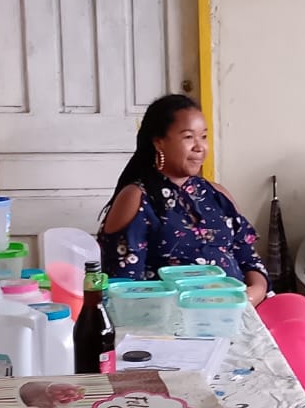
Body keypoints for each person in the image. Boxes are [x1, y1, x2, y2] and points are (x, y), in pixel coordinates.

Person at [100, 95, 269, 305]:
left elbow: (249, 259)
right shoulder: (136, 198)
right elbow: (125, 286)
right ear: (159, 142)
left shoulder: (218, 195)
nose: (199, 147)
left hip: (235, 310)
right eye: (189, 137)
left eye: (203, 136)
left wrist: (254, 292)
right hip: (169, 318)